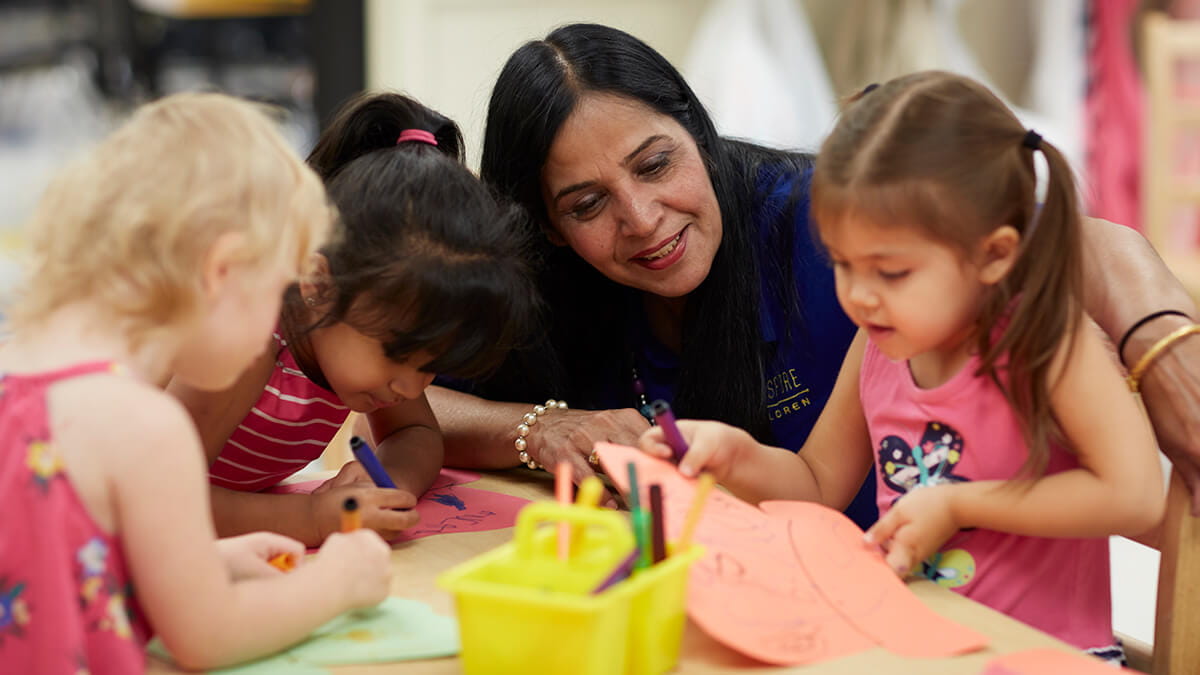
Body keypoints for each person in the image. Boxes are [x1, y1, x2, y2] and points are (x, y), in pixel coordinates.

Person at [429, 22, 1200, 525]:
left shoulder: (823, 227)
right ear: (550, 228)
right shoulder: (546, 285)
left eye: (656, 163)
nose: (641, 217)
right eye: (588, 203)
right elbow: (396, 401)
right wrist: (538, 427)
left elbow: (1080, 240)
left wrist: (1160, 337)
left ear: (699, 131)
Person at [639, 71, 1163, 660]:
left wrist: (960, 504)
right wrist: (739, 456)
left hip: (1046, 655)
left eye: (890, 272)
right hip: (914, 646)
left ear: (993, 255)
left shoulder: (1044, 343)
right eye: (842, 262)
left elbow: (1138, 496)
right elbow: (817, 483)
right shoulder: (879, 343)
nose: (859, 296)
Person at [0, 93, 392, 673]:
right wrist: (339, 582)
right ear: (222, 270)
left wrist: (205, 559)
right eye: (276, 289)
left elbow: (45, 560)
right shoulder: (148, 426)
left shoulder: (16, 367)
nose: (274, 328)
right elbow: (208, 635)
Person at [168, 92, 537, 547]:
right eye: (399, 355)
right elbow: (161, 500)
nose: (411, 386)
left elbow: (417, 432)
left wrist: (387, 481)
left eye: (429, 364)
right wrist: (313, 517)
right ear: (318, 284)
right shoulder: (247, 338)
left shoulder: (361, 340)